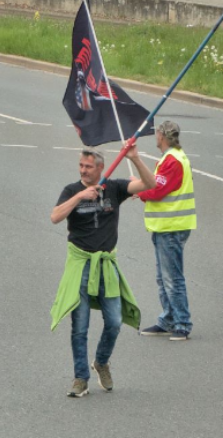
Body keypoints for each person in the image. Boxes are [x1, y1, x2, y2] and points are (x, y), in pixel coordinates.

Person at [49, 149, 149, 398]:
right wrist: (80, 196)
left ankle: (101, 362)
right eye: (81, 165)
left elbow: (150, 184)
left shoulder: (114, 188)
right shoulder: (72, 190)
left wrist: (135, 158)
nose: (83, 170)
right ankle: (80, 378)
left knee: (114, 322)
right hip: (80, 264)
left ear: (100, 168)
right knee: (79, 327)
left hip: (106, 265)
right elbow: (55, 217)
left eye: (88, 167)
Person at [130, 122, 195, 340]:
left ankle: (182, 323)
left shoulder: (172, 161)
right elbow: (157, 184)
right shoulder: (172, 158)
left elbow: (157, 189)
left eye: (157, 133)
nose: (155, 136)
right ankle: (168, 319)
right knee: (163, 278)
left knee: (172, 279)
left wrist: (139, 191)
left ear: (162, 136)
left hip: (172, 227)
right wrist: (140, 187)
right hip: (167, 226)